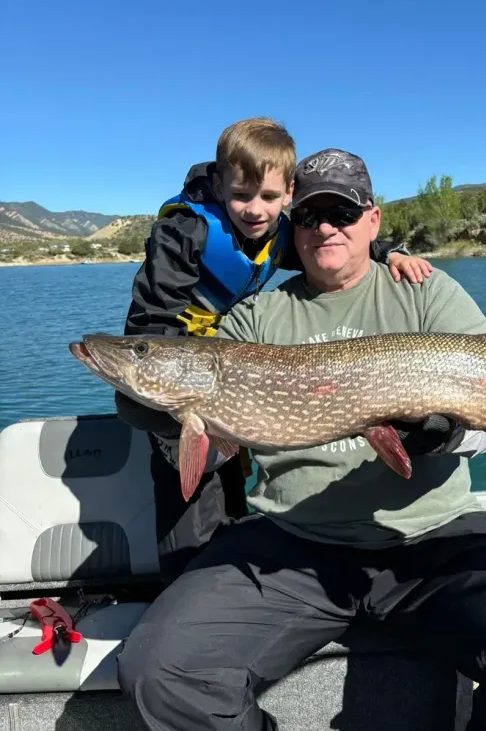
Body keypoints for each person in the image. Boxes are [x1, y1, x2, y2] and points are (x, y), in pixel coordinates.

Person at [117, 148, 486, 731]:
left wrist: (444, 434)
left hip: (435, 536)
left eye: (342, 214)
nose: (325, 227)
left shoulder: (428, 294)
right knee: (158, 673)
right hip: (293, 542)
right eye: (309, 214)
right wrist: (161, 413)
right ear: (291, 227)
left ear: (372, 222)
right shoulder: (252, 319)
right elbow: (215, 447)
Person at [117, 118, 433, 583]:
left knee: (230, 485)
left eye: (267, 197)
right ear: (220, 184)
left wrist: (391, 253)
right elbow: (150, 319)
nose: (253, 209)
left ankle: (224, 574)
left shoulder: (279, 234)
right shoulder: (184, 232)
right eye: (241, 195)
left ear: (287, 194)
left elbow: (341, 243)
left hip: (231, 372)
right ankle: (188, 587)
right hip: (187, 371)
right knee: (188, 496)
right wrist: (158, 389)